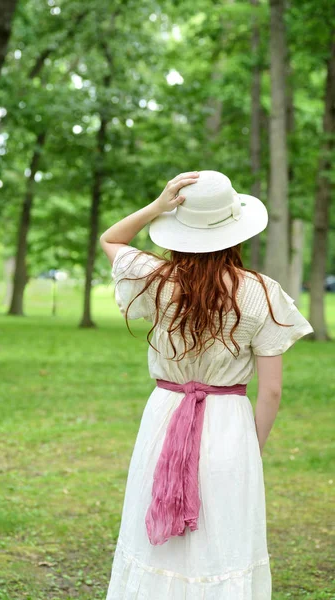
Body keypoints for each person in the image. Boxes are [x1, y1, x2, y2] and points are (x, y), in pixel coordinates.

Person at [100, 170, 313, 600]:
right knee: (224, 536)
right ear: (235, 231)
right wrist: (251, 447)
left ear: (180, 229)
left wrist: (157, 207)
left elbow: (111, 240)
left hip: (165, 412)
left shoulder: (155, 279)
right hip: (229, 423)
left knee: (158, 538)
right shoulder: (263, 292)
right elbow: (270, 391)